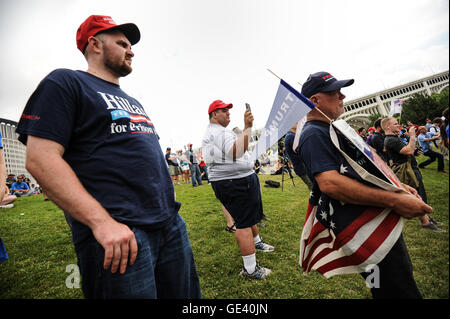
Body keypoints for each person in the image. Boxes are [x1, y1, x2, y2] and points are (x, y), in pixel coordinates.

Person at [15, 15, 200, 299]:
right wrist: (102, 223)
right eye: (122, 43)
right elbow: (40, 159)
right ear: (95, 44)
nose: (131, 50)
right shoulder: (66, 82)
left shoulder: (132, 100)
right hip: (121, 233)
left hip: (169, 225)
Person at [298, 71, 432, 299]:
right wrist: (395, 199)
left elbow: (363, 168)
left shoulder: (330, 128)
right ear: (314, 101)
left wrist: (396, 185)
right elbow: (330, 183)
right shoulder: (313, 134)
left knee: (387, 286)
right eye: (333, 92)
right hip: (363, 230)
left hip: (371, 224)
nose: (342, 95)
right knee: (398, 288)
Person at [202, 99, 274, 280]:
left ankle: (256, 243)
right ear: (213, 114)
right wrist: (248, 127)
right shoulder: (217, 132)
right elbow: (236, 152)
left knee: (248, 217)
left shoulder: (219, 132)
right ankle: (250, 270)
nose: (228, 113)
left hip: (237, 178)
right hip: (234, 182)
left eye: (228, 110)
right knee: (243, 222)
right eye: (223, 110)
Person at [382, 118, 443, 231]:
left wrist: (414, 151)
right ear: (388, 126)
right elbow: (408, 151)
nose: (398, 125)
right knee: (418, 194)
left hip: (410, 167)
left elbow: (406, 151)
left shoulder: (394, 138)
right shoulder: (390, 139)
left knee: (419, 193)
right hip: (407, 170)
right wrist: (412, 136)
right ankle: (425, 222)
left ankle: (427, 218)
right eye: (395, 124)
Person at [284, 124, 313, 190]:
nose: (298, 124)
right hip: (302, 167)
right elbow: (302, 151)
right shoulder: (291, 136)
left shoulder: (292, 135)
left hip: (302, 167)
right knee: (313, 188)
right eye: (296, 122)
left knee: (314, 187)